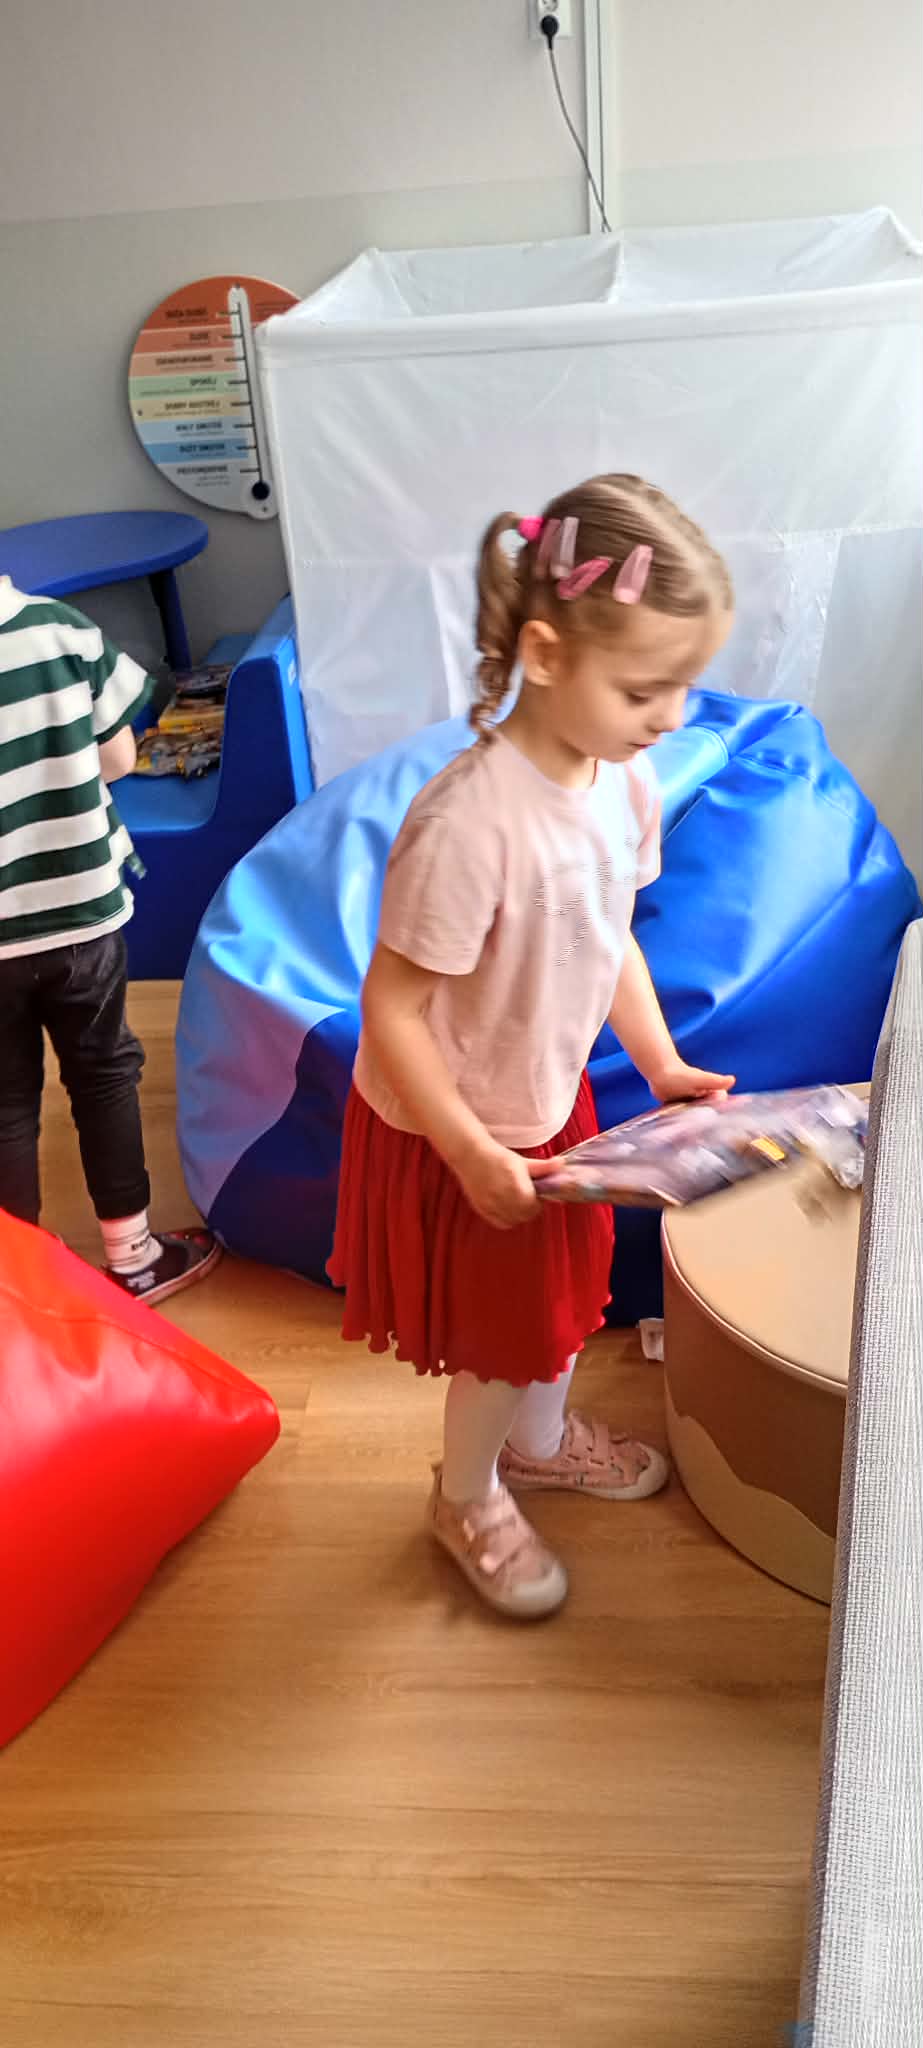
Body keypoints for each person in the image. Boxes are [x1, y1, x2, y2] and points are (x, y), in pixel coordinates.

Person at [329, 474, 736, 1619]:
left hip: (546, 1102)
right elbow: (390, 1008)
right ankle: (464, 1494)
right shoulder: (467, 823)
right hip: (459, 1122)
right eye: (643, 688)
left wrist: (657, 1063)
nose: (670, 714)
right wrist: (467, 1149)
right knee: (501, 1338)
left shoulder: (622, 779)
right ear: (546, 655)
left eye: (682, 685)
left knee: (561, 1300)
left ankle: (541, 1444)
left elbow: (609, 935)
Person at [0, 573, 219, 1304]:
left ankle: (20, 1282)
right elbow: (120, 759)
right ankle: (134, 1257)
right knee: (102, 1074)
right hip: (78, 914)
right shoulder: (62, 631)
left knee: (6, 1099)